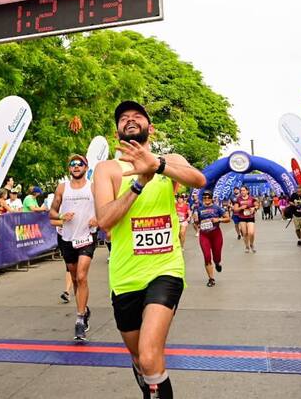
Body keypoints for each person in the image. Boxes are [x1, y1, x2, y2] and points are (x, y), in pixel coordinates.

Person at [93, 101, 206, 399]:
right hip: (124, 277)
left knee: (149, 355)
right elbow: (105, 220)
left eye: (137, 116)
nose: (130, 120)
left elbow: (199, 179)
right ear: (117, 130)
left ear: (150, 128)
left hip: (165, 270)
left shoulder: (169, 159)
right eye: (123, 118)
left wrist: (157, 166)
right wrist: (139, 183)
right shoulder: (107, 169)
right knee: (140, 361)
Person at [49, 154, 98, 340]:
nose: (76, 167)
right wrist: (61, 217)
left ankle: (79, 321)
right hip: (67, 238)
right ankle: (84, 310)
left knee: (81, 276)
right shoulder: (62, 187)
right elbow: (52, 213)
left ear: (86, 167)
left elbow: (105, 208)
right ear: (69, 168)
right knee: (75, 279)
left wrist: (98, 220)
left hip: (86, 236)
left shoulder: (93, 187)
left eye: (80, 164)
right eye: (72, 164)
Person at [193, 192, 229, 287]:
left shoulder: (217, 208)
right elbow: (196, 222)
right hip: (204, 235)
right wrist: (196, 222)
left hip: (216, 234)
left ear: (211, 198)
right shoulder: (199, 209)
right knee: (207, 256)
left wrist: (219, 220)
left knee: (216, 256)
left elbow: (228, 218)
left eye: (208, 197)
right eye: (204, 197)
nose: (206, 199)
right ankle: (211, 278)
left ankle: (217, 263)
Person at [234, 186, 258, 253]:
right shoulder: (238, 199)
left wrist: (254, 208)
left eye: (244, 190)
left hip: (250, 217)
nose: (242, 192)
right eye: (241, 190)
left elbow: (257, 205)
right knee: (245, 233)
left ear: (247, 191)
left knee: (251, 232)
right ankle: (247, 246)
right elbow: (235, 209)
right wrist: (241, 208)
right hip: (242, 218)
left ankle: (251, 244)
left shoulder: (252, 198)